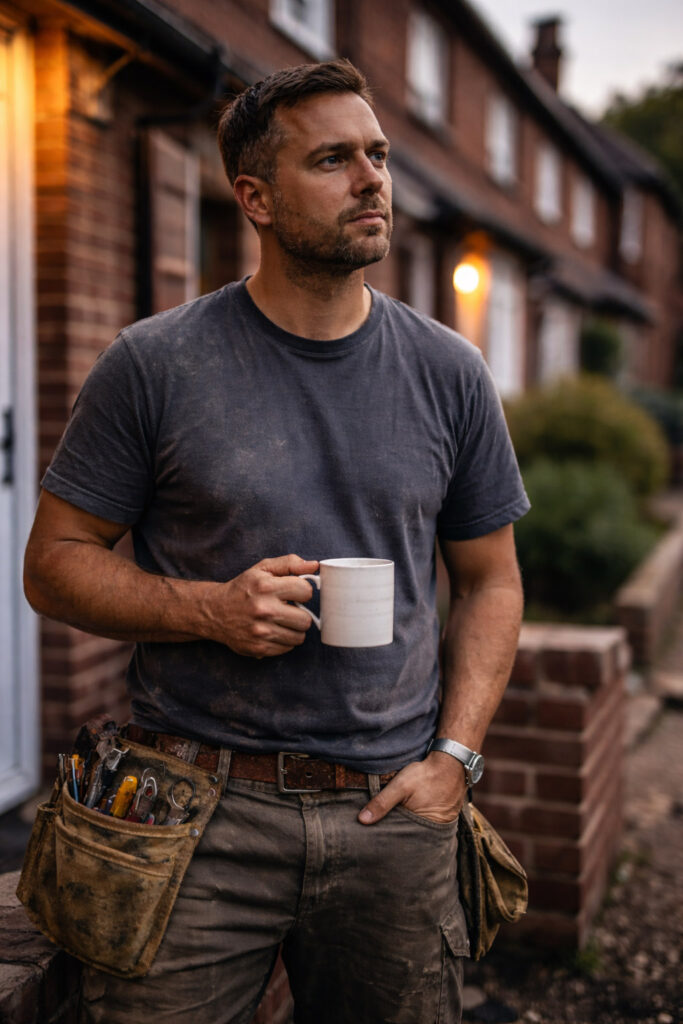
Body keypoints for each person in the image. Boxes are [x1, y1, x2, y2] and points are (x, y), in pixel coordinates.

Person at [23, 58, 529, 1024]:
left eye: (376, 154)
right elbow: (53, 565)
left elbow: (492, 582)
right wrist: (209, 609)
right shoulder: (155, 364)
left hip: (395, 811)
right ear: (253, 197)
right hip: (194, 813)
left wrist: (455, 761)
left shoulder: (449, 373)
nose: (371, 179)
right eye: (333, 159)